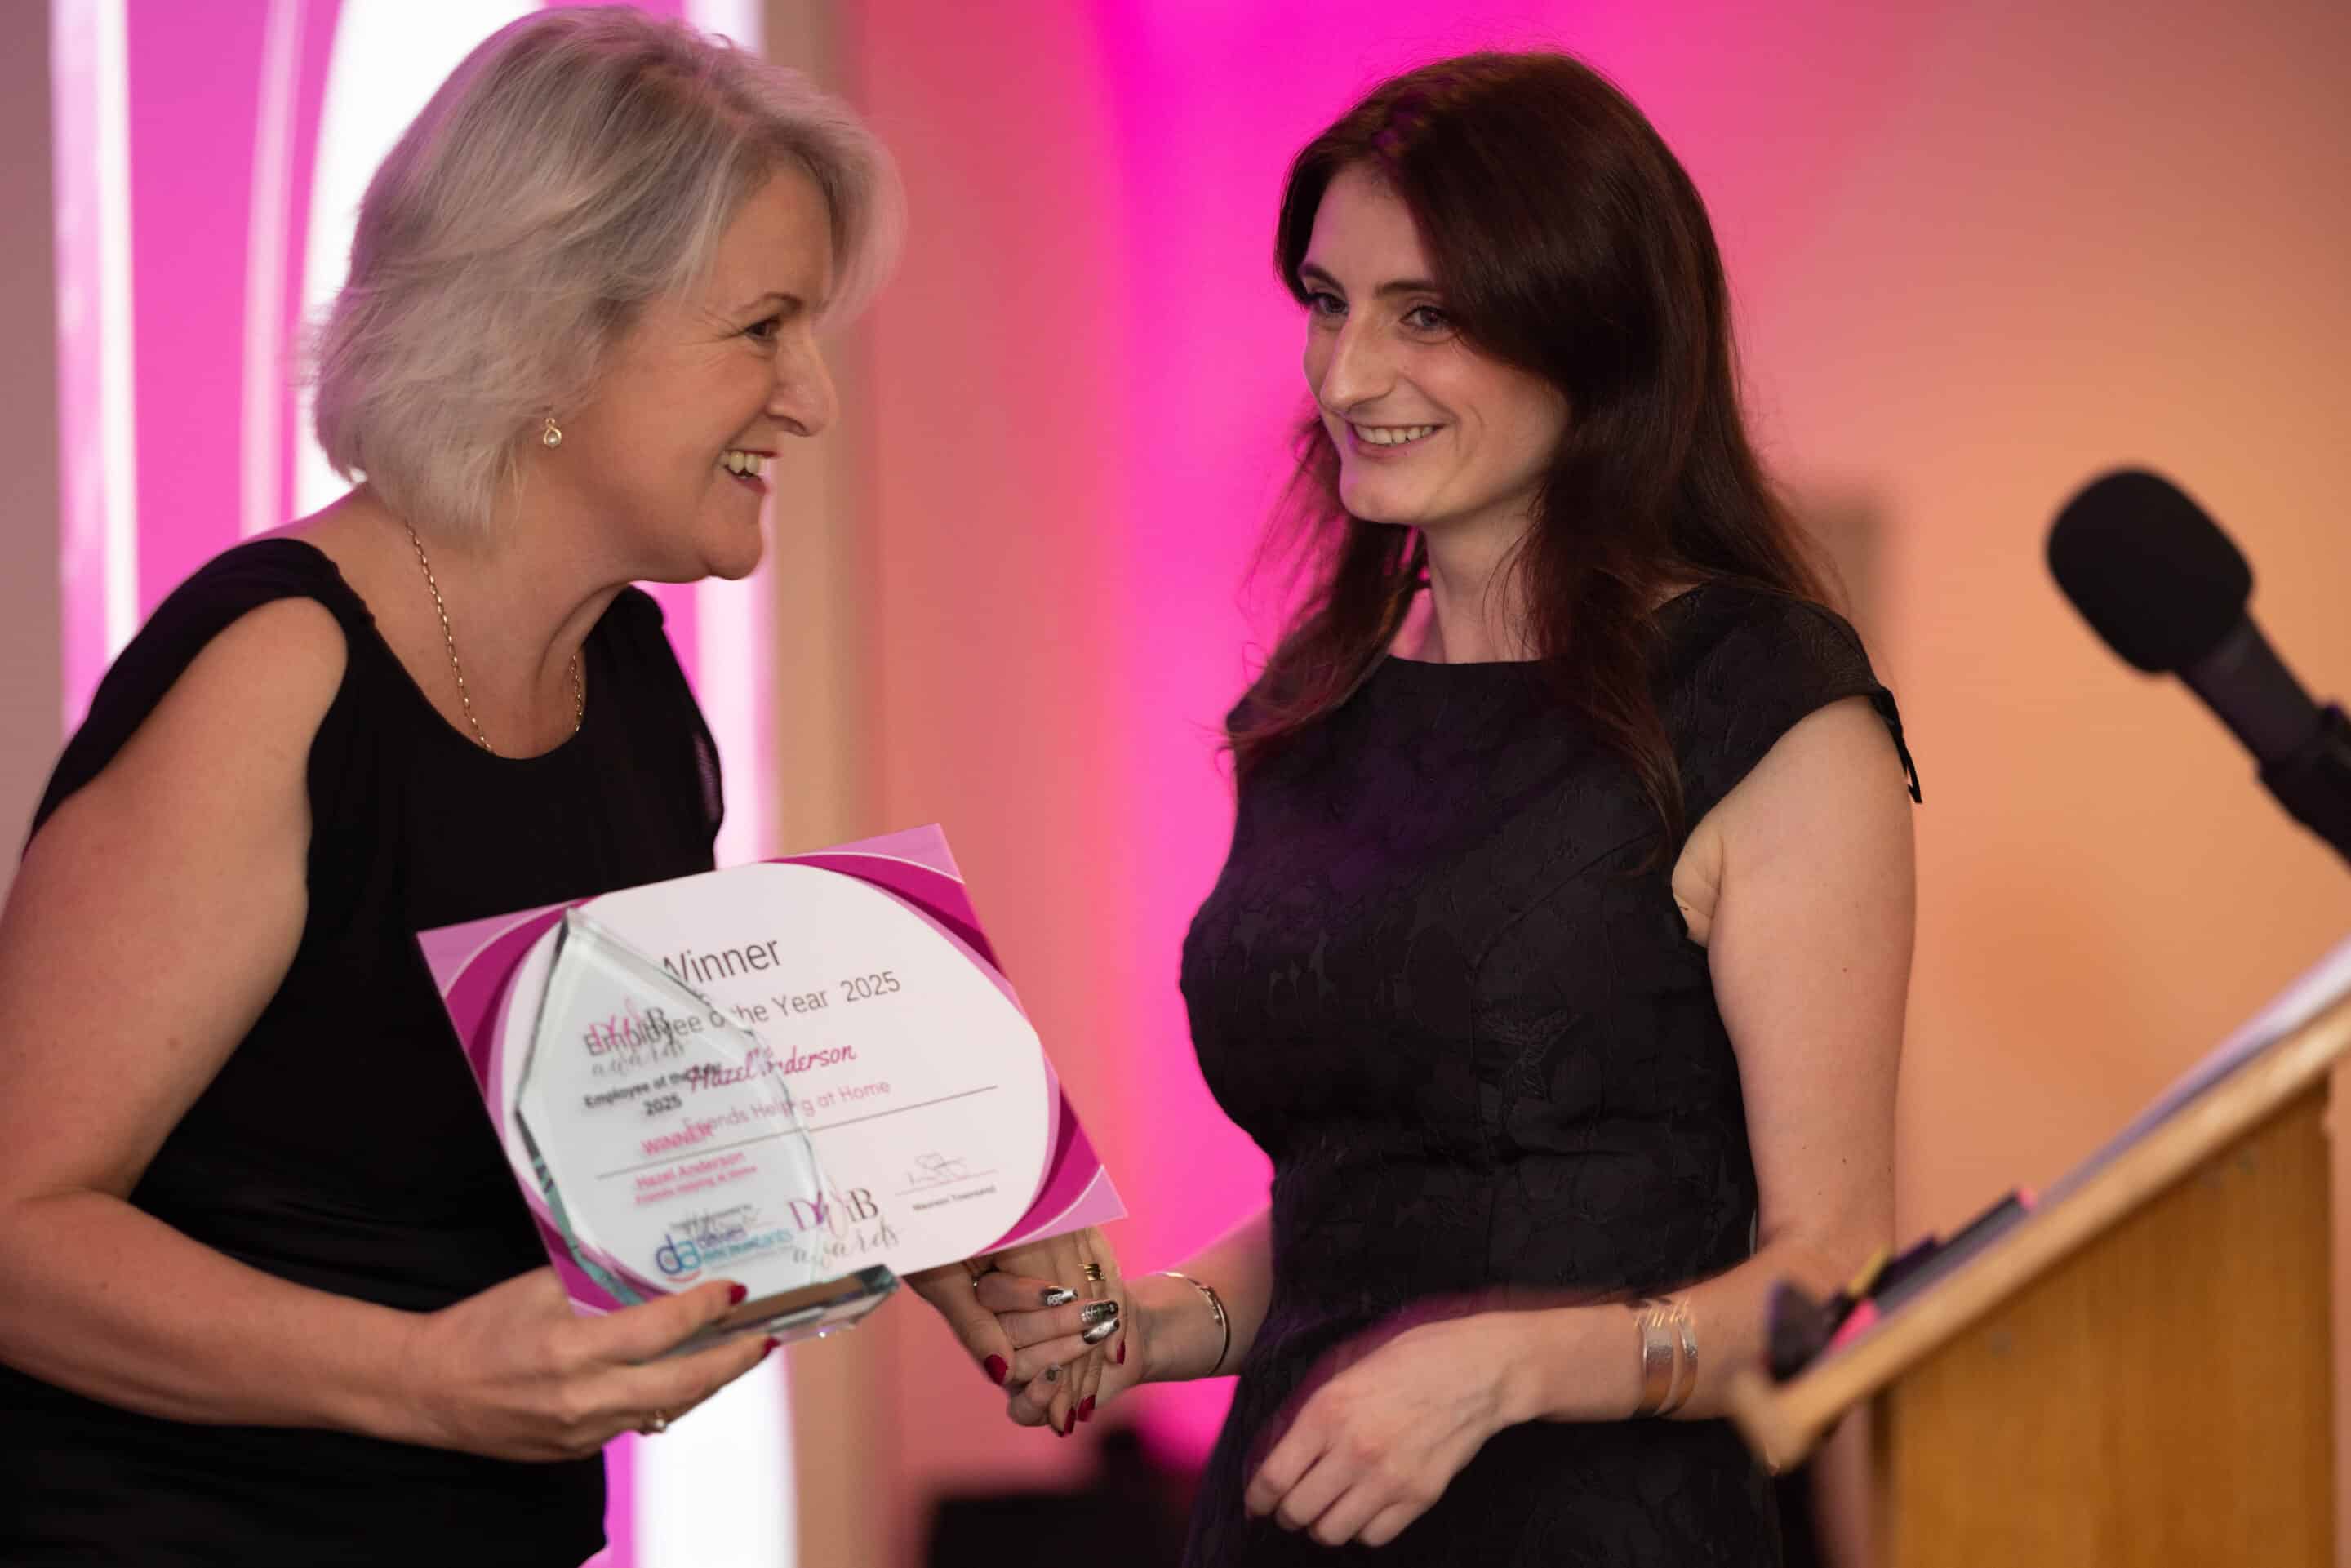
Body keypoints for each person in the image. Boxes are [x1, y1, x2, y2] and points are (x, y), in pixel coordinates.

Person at [917, 51, 1918, 1566]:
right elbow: (1363, 1200)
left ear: (1592, 331)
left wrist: (1504, 1368)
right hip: (1291, 1513)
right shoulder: (1318, 705)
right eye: (1329, 304)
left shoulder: (1762, 703)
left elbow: (1826, 1275)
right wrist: (1147, 1325)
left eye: (1426, 315)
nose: (1345, 376)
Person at [0, 10, 897, 1562]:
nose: (812, 398)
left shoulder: (630, 681)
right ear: (552, 335)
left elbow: (633, 1153)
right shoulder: (280, 671)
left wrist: (927, 1226)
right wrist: (420, 1378)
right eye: (764, 327)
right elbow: (16, 1232)